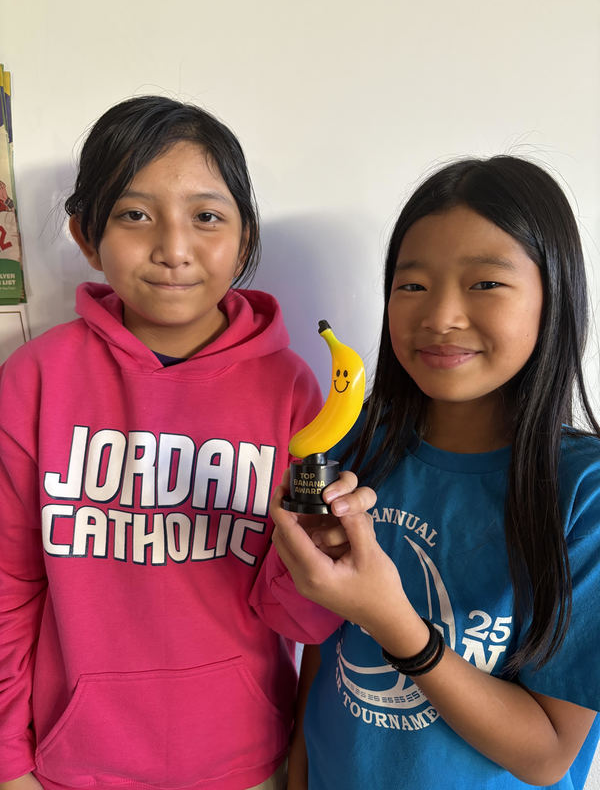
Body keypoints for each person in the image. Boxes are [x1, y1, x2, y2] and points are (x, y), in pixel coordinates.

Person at [0, 95, 350, 790]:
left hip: (245, 761)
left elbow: (300, 619)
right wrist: (9, 761)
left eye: (206, 217)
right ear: (86, 235)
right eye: (135, 215)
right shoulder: (35, 379)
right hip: (70, 767)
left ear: (245, 239)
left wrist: (318, 555)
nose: (173, 248)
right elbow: (8, 584)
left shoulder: (293, 391)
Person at [269, 156, 600, 789]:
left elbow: (548, 755)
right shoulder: (355, 449)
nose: (441, 316)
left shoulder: (584, 494)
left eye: (486, 283)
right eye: (413, 285)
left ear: (553, 297)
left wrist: (394, 622)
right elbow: (324, 635)